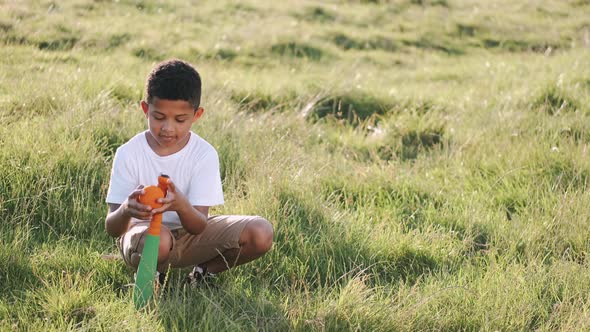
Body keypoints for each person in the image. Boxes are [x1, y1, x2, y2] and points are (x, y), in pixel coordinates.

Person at [104, 59, 273, 286]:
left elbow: (198, 226)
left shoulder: (203, 154)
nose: (168, 128)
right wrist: (126, 209)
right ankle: (152, 277)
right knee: (160, 240)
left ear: (197, 115)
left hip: (190, 236)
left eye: (180, 120)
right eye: (159, 117)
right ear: (146, 109)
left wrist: (181, 204)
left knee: (260, 232)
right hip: (142, 236)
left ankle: (201, 275)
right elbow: (113, 229)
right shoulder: (129, 153)